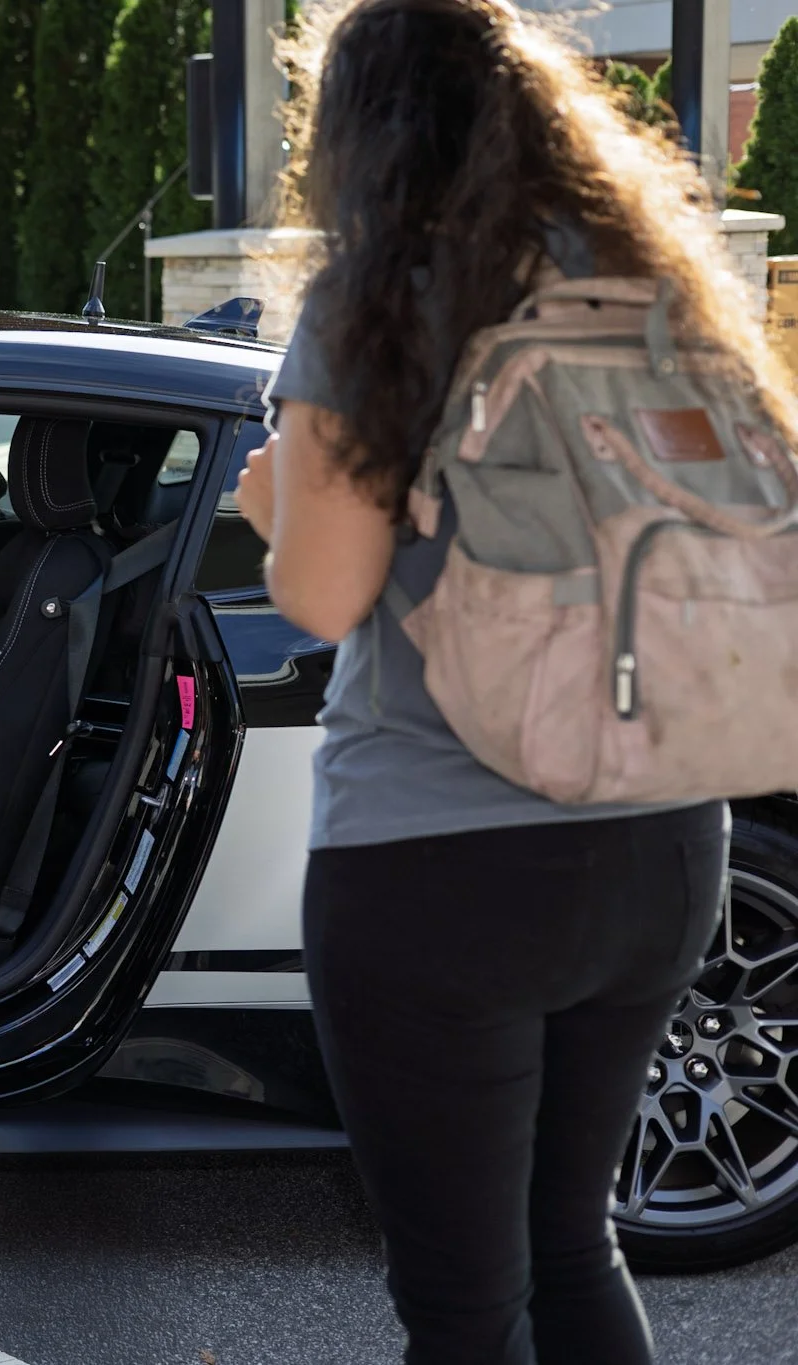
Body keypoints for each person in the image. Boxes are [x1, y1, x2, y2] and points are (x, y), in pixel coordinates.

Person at [233, 0, 781, 1358]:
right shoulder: (654, 282)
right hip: (663, 836)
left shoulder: (385, 296)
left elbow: (322, 592)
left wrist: (270, 501)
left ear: (357, 136)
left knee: (466, 1308)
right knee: (575, 1243)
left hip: (439, 862)